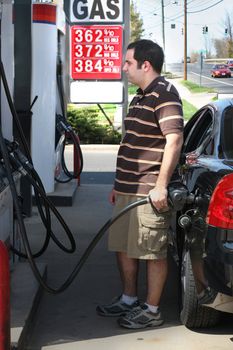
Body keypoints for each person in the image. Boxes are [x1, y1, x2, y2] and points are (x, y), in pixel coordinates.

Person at [96, 39, 184, 329]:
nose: (123, 68)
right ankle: (129, 298)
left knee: (151, 250)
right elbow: (132, 144)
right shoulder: (140, 97)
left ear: (146, 65)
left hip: (148, 190)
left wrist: (160, 186)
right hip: (126, 189)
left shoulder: (165, 95)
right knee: (124, 246)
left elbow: (174, 141)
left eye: (128, 63)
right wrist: (117, 185)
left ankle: (151, 310)